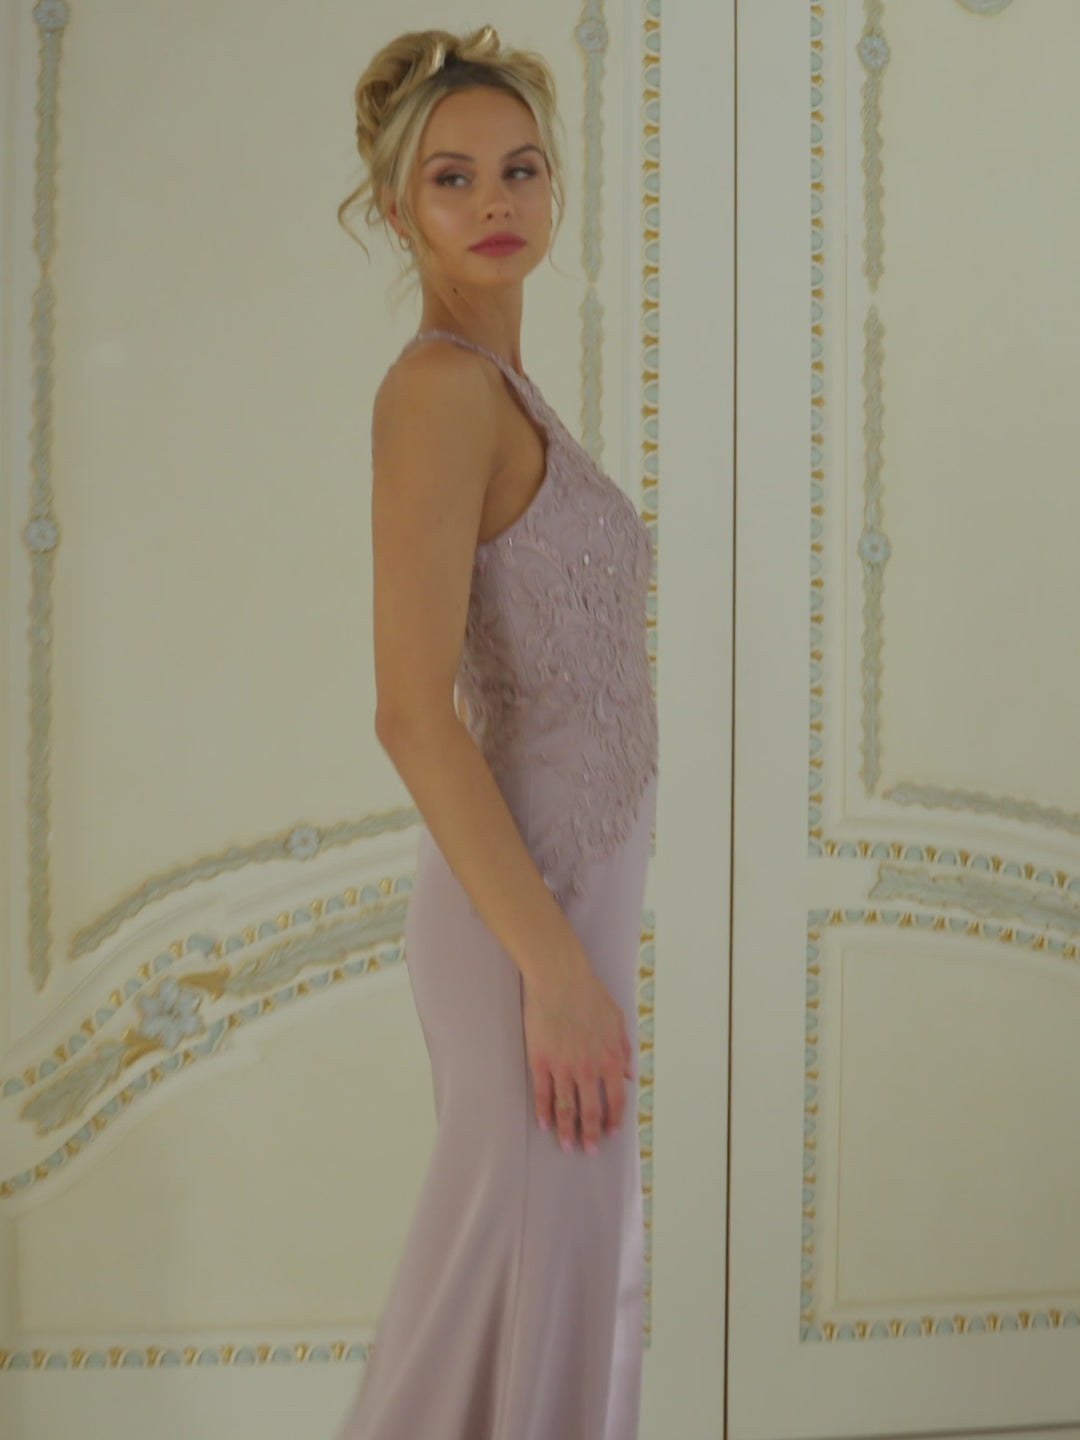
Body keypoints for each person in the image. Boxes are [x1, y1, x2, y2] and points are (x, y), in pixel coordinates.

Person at [332, 23, 659, 1440]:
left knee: (541, 1278)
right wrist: (555, 972)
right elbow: (412, 713)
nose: (496, 202)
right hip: (525, 925)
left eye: (521, 169)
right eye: (453, 178)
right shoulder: (437, 392)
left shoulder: (499, 388)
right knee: (521, 1276)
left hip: (565, 910)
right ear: (395, 207)